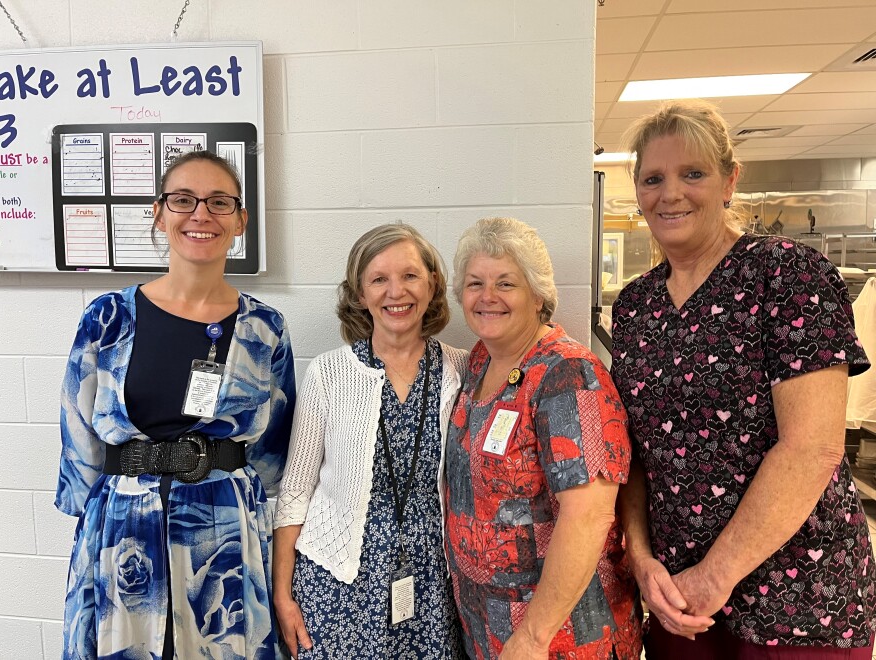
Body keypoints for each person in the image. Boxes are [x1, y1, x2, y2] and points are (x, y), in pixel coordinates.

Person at [611, 99, 876, 659]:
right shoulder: (636, 306)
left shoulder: (787, 275)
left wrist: (714, 577)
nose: (671, 193)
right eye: (653, 178)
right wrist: (640, 558)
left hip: (796, 600)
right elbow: (633, 449)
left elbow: (812, 447)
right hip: (677, 598)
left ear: (730, 181)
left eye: (693, 173)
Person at [56, 150, 295, 659]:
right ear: (160, 213)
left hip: (225, 538)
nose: (200, 214)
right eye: (183, 200)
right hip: (125, 532)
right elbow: (79, 441)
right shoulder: (108, 319)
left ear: (240, 220)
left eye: (218, 202)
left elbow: (274, 457)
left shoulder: (265, 328)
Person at [445, 217, 643, 659]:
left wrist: (534, 636)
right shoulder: (480, 362)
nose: (487, 297)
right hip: (488, 627)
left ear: (538, 295)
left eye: (506, 284)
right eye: (475, 283)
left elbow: (589, 516)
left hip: (560, 636)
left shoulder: (569, 375)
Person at [272, 224, 466, 659]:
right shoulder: (329, 373)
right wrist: (283, 596)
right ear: (360, 294)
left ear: (432, 283)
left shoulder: (464, 370)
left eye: (410, 276)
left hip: (433, 586)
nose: (396, 291)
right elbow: (296, 491)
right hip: (337, 584)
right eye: (379, 279)